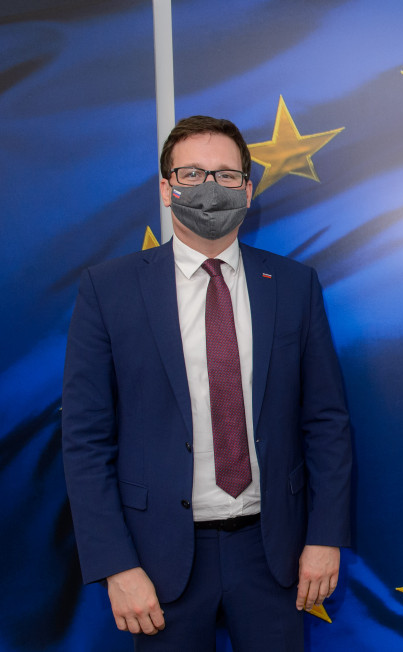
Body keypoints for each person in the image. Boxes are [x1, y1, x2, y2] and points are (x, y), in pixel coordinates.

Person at [62, 115, 352, 650]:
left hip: (275, 553)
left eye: (225, 175)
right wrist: (115, 565)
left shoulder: (293, 284)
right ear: (167, 189)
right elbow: (85, 440)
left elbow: (326, 422)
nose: (209, 188)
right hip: (159, 559)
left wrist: (325, 536)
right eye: (192, 174)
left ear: (248, 186)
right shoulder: (109, 290)